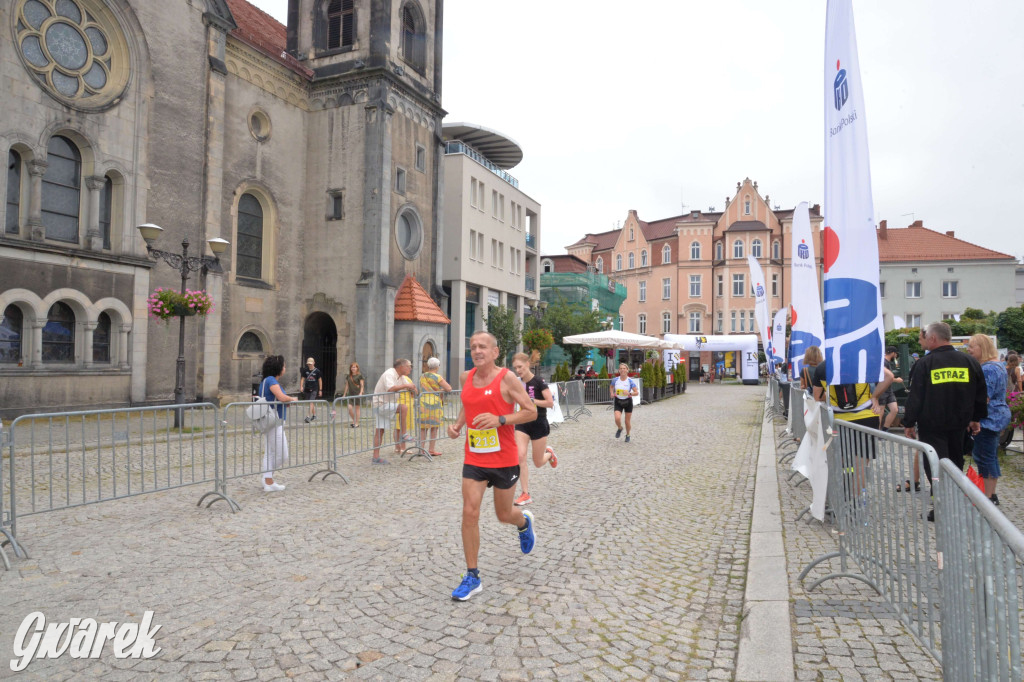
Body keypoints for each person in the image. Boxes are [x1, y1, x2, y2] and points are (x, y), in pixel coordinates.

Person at [447, 331, 538, 601]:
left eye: (483, 347)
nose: (477, 351)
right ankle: (472, 576)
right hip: (475, 457)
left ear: (495, 352)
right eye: (473, 347)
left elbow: (531, 411)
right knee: (469, 512)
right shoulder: (466, 377)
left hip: (504, 459)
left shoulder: (507, 378)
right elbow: (468, 404)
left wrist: (501, 419)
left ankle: (523, 522)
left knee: (503, 514)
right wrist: (458, 425)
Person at [903, 322, 987, 520]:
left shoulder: (925, 364)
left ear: (933, 338)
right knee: (955, 464)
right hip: (959, 425)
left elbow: (915, 397)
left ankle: (941, 507)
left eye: (925, 337)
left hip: (932, 425)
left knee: (934, 465)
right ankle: (951, 503)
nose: (922, 341)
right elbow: (980, 394)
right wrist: (975, 419)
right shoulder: (969, 362)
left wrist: (908, 423)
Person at [812, 354, 894, 497]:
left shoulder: (822, 367)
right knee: (861, 465)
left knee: (840, 461)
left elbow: (817, 396)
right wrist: (874, 396)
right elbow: (889, 376)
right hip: (866, 417)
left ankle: (840, 497)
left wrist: (832, 396)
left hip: (838, 420)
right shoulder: (861, 360)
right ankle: (858, 501)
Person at [967, 334, 1011, 505]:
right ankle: (990, 494)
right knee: (989, 455)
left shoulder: (988, 369)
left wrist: (973, 417)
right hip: (996, 415)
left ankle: (988, 497)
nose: (969, 350)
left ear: (982, 348)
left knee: (984, 456)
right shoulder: (998, 365)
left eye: (972, 346)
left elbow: (984, 397)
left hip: (988, 418)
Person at [510, 352, 557, 506]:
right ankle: (525, 494)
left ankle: (549, 455)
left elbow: (550, 403)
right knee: (520, 456)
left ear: (527, 364)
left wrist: (532, 401)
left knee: (537, 462)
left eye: (520, 367)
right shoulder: (516, 383)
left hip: (538, 423)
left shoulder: (539, 382)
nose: (518, 370)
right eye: (515, 368)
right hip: (522, 422)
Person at [258, 354, 298, 492]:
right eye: (284, 366)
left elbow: (276, 399)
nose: (285, 368)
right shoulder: (271, 380)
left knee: (269, 452)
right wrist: (292, 399)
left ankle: (268, 481)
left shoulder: (266, 381)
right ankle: (267, 477)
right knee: (282, 454)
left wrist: (286, 402)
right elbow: (281, 397)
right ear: (278, 368)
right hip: (274, 422)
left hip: (271, 420)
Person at [371, 358, 417, 465]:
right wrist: (407, 386)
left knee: (380, 430)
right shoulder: (390, 373)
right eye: (409, 366)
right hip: (381, 404)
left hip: (386, 404)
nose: (410, 368)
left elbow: (413, 390)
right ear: (401, 367)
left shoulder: (402, 377)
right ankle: (404, 434)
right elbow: (390, 388)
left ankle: (375, 457)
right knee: (403, 408)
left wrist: (412, 388)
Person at [419, 357, 452, 457]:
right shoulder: (438, 377)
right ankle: (431, 449)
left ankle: (421, 449)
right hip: (434, 403)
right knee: (434, 427)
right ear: (437, 366)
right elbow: (448, 388)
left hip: (423, 402)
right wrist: (440, 390)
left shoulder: (423, 376)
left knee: (423, 427)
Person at [610, 363, 639, 443]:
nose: (622, 370)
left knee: (627, 421)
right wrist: (612, 393)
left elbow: (636, 392)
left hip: (627, 402)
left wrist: (629, 393)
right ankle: (620, 428)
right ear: (619, 370)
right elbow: (611, 387)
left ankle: (628, 434)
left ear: (627, 370)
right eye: (621, 368)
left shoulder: (630, 381)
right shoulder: (615, 380)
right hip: (618, 401)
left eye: (624, 368)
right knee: (617, 418)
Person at [880, 346, 904, 430]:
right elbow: (884, 376)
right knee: (881, 411)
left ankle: (884, 429)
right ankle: (878, 431)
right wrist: (896, 380)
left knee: (894, 410)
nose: (896, 356)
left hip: (889, 390)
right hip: (882, 389)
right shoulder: (883, 362)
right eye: (896, 354)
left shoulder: (887, 362)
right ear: (893, 353)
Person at [342, 362, 365, 428]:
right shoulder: (348, 376)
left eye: (354, 367)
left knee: (357, 409)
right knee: (349, 408)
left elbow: (362, 385)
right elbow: (347, 385)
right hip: (351, 394)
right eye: (352, 367)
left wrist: (360, 393)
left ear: (357, 368)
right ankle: (355, 420)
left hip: (357, 394)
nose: (353, 368)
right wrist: (344, 394)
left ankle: (356, 423)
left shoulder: (359, 376)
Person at [300, 357, 323, 423]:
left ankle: (308, 416)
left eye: (310, 364)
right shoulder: (305, 370)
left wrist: (320, 390)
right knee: (311, 402)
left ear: (314, 363)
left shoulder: (317, 371)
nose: (309, 365)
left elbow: (320, 380)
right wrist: (301, 386)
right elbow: (302, 379)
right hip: (307, 388)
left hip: (314, 388)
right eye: (308, 364)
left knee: (311, 401)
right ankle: (314, 415)